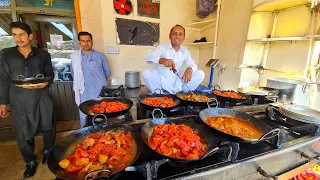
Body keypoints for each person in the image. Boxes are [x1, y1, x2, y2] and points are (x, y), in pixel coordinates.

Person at [0, 22, 55, 178]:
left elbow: (49, 74)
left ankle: (48, 152)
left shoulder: (43, 55)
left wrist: (46, 82)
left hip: (42, 97)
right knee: (23, 131)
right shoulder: (6, 54)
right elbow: (3, 79)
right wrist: (2, 102)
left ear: (30, 36)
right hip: (19, 99)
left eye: (22, 34)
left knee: (48, 125)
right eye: (15, 35)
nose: (18, 38)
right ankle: (30, 161)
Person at [142, 25, 205, 94]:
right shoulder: (162, 47)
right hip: (161, 81)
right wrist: (162, 60)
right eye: (175, 34)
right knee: (146, 72)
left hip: (178, 82)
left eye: (180, 34)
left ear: (183, 37)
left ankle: (182, 94)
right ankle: (160, 95)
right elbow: (150, 57)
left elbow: (192, 64)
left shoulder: (185, 51)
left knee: (200, 74)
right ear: (170, 36)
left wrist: (190, 69)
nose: (177, 36)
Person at [70, 32, 111, 127]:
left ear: (92, 42)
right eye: (83, 41)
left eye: (88, 40)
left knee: (102, 114)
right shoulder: (75, 58)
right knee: (85, 115)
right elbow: (74, 74)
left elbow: (107, 72)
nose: (86, 43)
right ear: (79, 42)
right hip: (83, 92)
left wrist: (99, 82)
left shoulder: (101, 56)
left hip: (100, 92)